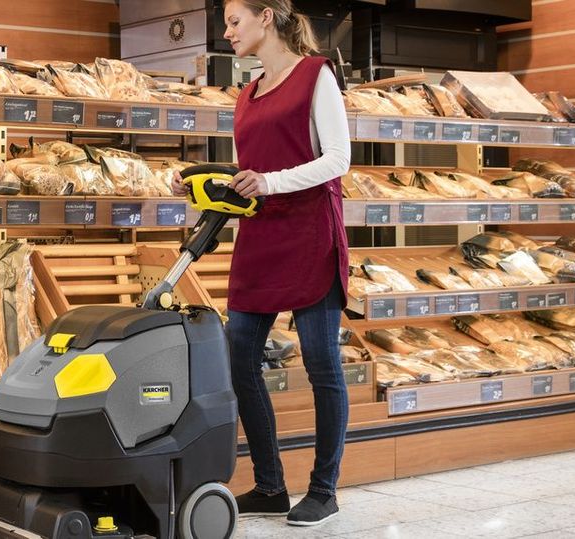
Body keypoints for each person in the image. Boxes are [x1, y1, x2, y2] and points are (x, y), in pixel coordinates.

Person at [170, 0, 351, 527]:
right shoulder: (245, 96)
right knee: (238, 359)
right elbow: (245, 176)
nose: (227, 33)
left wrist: (270, 182)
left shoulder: (316, 76)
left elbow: (338, 158)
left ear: (266, 17)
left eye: (234, 21)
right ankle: (271, 484)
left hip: (310, 233)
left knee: (322, 365)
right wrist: (197, 184)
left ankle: (324, 489)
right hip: (260, 236)